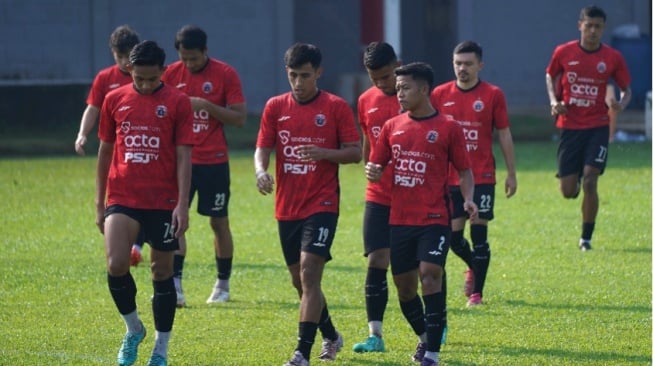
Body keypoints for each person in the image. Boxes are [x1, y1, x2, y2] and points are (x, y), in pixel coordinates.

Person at [254, 42, 361, 366]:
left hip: (323, 203)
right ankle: (331, 335)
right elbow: (263, 147)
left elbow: (356, 152)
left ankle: (301, 353)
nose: (298, 83)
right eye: (292, 76)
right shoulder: (275, 107)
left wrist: (324, 153)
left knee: (309, 272)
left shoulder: (335, 107)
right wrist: (261, 170)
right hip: (287, 206)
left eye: (304, 76)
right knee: (299, 282)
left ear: (318, 73)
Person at [366, 62, 477, 366]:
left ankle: (432, 354)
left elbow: (465, 170)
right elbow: (376, 165)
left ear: (424, 89)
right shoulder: (392, 126)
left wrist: (468, 199)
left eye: (405, 87)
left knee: (430, 275)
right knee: (405, 289)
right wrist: (373, 172)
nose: (399, 93)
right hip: (400, 220)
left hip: (434, 219)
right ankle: (427, 336)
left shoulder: (448, 127)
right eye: (397, 87)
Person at [95, 40, 194, 366]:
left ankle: (160, 350)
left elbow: (183, 156)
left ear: (163, 72)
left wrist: (181, 205)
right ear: (129, 72)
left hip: (162, 201)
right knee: (116, 264)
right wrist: (99, 203)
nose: (146, 84)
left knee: (161, 271)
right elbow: (105, 151)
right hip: (123, 196)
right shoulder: (114, 99)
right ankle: (133, 329)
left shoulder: (178, 103)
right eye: (139, 79)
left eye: (152, 79)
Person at [162, 25, 247, 307]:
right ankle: (176, 286)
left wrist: (206, 106)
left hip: (214, 162)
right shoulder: (170, 75)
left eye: (194, 59)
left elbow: (239, 118)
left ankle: (222, 284)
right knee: (176, 222)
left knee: (218, 222)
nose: (188, 64)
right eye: (184, 58)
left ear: (205, 52)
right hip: (180, 163)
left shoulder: (225, 74)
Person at [431, 41, 517, 307]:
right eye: (458, 63)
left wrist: (511, 173)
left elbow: (503, 133)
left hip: (482, 177)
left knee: (479, 236)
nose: (462, 68)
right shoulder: (439, 94)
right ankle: (473, 267)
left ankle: (477, 294)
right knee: (454, 238)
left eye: (468, 63)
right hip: (449, 179)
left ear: (480, 65)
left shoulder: (492, 95)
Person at [545, 5, 631, 251]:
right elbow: (550, 75)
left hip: (598, 127)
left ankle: (586, 239)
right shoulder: (564, 52)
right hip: (570, 127)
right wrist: (554, 101)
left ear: (603, 29)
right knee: (569, 191)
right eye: (589, 25)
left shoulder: (612, 58)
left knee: (591, 181)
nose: (593, 31)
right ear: (579, 25)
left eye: (598, 27)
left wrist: (620, 104)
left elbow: (626, 89)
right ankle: (574, 175)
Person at [351, 41, 399, 353]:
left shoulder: (418, 96)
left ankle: (437, 322)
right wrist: (371, 169)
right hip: (378, 194)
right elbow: (370, 142)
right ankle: (375, 335)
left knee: (422, 269)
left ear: (398, 65)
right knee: (376, 261)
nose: (381, 84)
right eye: (374, 78)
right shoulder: (365, 100)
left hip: (415, 195)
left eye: (386, 76)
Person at [75, 25, 140, 155]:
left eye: (128, 55)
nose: (125, 61)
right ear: (113, 53)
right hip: (114, 143)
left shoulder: (148, 75)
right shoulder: (104, 77)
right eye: (120, 56)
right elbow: (93, 109)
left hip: (143, 139)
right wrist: (82, 134)